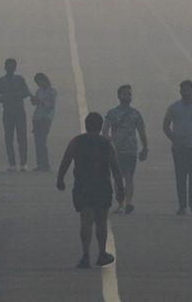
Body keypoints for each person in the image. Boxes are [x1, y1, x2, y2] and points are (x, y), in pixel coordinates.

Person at [57, 112, 125, 269]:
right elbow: (115, 168)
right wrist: (120, 189)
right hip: (102, 186)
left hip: (83, 185)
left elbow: (66, 161)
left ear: (86, 125)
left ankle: (86, 255)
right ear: (100, 126)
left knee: (85, 220)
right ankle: (102, 253)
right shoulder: (105, 143)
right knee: (101, 221)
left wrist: (60, 179)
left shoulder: (76, 141)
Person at [163, 79, 192, 215]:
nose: (186, 92)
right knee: (180, 176)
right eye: (184, 90)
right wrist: (173, 139)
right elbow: (165, 125)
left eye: (188, 90)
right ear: (180, 91)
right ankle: (182, 205)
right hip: (178, 147)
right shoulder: (174, 107)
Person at [102, 84, 149, 214]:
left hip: (130, 150)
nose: (127, 96)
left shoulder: (135, 113)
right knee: (117, 178)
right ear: (119, 96)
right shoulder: (112, 113)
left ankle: (128, 203)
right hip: (116, 150)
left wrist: (145, 148)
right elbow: (105, 130)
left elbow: (141, 132)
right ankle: (121, 203)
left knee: (128, 177)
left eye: (129, 94)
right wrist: (108, 141)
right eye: (125, 94)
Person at [0, 58, 32, 171]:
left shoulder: (20, 80)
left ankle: (23, 163)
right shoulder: (1, 81)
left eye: (12, 66)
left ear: (15, 68)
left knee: (22, 138)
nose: (10, 68)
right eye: (8, 66)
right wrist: (3, 99)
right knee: (8, 138)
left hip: (19, 111)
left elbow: (26, 92)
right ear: (5, 67)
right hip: (8, 112)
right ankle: (12, 163)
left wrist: (16, 96)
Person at [30, 72, 57, 171]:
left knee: (42, 142)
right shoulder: (39, 91)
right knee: (37, 142)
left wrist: (39, 101)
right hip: (37, 118)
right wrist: (33, 100)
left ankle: (45, 163)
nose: (39, 83)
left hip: (45, 118)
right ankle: (40, 164)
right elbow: (35, 104)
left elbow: (50, 105)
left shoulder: (52, 91)